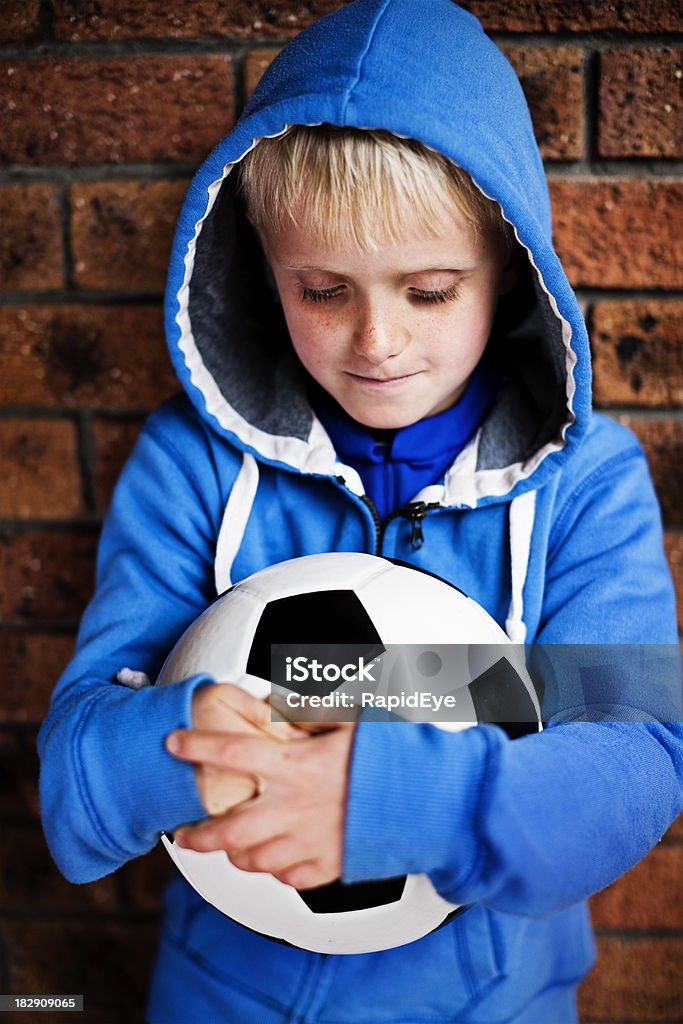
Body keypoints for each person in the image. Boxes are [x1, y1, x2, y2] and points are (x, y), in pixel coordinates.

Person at [38, 2, 682, 1022]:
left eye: (427, 290)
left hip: (484, 1000)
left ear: (505, 270)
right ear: (264, 269)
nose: (376, 340)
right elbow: (76, 801)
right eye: (324, 288)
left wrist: (399, 798)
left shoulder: (582, 484)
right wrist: (180, 742)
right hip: (220, 993)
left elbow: (637, 750)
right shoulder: (193, 469)